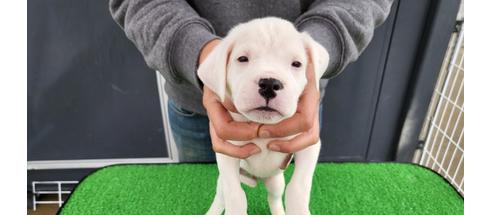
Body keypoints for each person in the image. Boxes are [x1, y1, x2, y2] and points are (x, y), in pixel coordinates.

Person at [109, 0, 393, 162]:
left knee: (287, 188)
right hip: (199, 104)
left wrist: (310, 55)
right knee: (204, 192)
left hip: (298, 100)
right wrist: (201, 54)